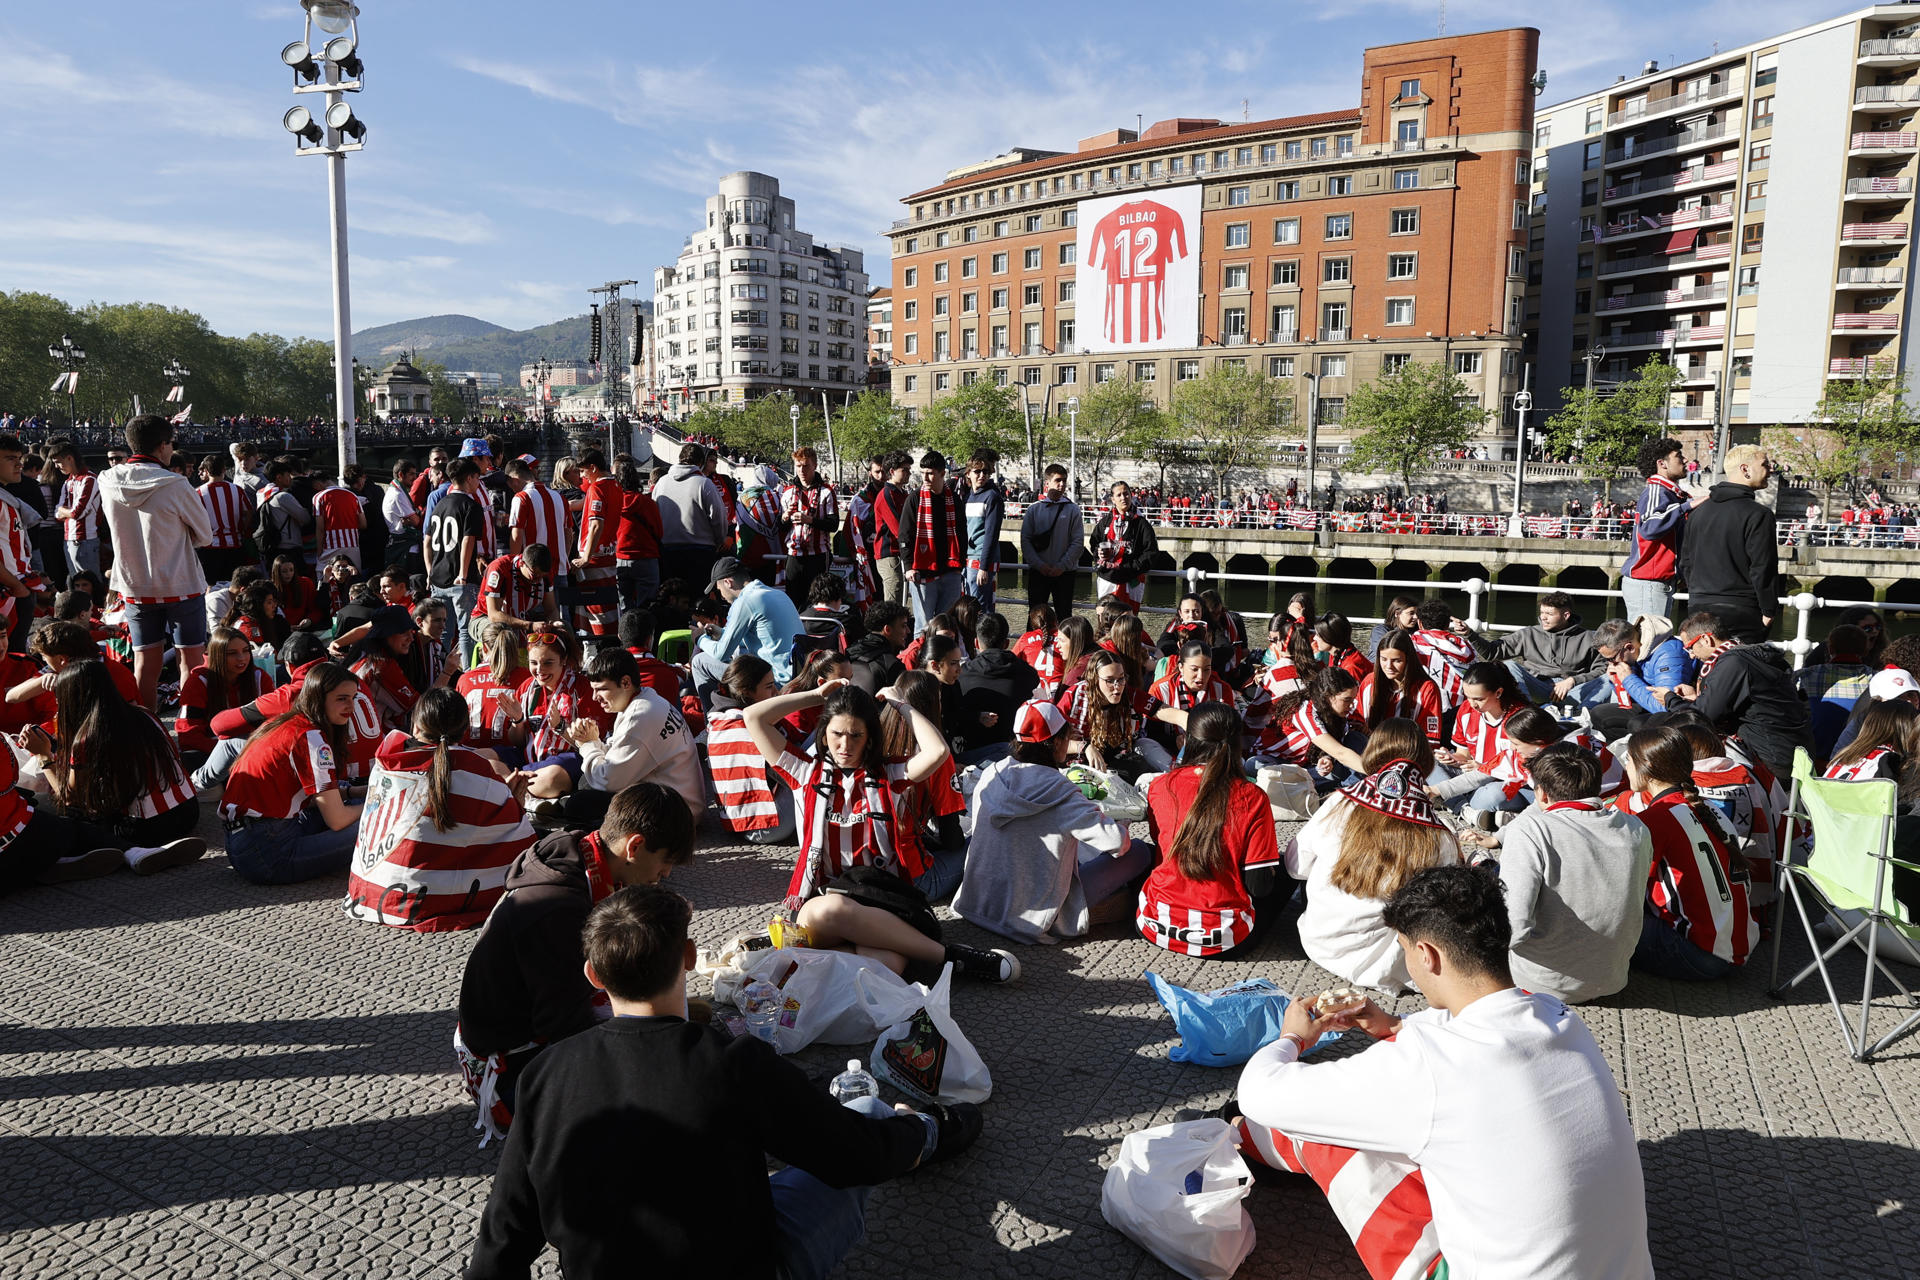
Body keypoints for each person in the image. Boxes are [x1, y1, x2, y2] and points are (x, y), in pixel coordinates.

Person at [464, 883, 982, 1280]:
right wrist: (913, 1132)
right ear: (689, 960)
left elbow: (506, 1231)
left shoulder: (544, 1075)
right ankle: (937, 1129)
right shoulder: (733, 1061)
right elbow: (855, 1156)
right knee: (867, 1115)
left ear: (593, 975)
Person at [1235, 866, 1653, 1280]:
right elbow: (1475, 1025)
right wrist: (1396, 1027)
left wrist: (1292, 1038)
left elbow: (1260, 1091)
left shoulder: (1427, 1067)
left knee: (1326, 1136)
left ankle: (1237, 1134)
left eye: (1404, 949)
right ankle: (1241, 1134)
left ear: (1427, 955)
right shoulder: (1558, 1017)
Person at [453, 783, 696, 1143]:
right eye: (665, 863)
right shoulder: (558, 909)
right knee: (654, 1111)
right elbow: (566, 1029)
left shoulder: (582, 854)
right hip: (510, 1065)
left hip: (535, 1027)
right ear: (635, 846)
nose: (666, 875)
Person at [740, 678, 1019, 982]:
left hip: (882, 903)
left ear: (871, 737)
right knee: (834, 910)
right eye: (837, 734)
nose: (845, 745)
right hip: (822, 905)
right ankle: (954, 957)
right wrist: (816, 695)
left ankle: (798, 958)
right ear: (824, 734)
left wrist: (902, 705)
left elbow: (937, 751)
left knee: (887, 964)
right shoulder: (805, 771)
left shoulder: (891, 775)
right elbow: (753, 717)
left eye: (856, 735)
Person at [954, 698, 1150, 943]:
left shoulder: (992, 774)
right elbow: (1117, 843)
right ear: (1057, 742)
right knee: (1140, 851)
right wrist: (1122, 825)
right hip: (1034, 916)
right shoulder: (1061, 792)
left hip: (978, 903)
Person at [343, 686, 535, 932]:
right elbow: (519, 839)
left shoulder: (386, 762)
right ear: (464, 731)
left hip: (367, 893)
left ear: (416, 726)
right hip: (425, 901)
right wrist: (513, 802)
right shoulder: (478, 772)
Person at [1285, 721, 1460, 989]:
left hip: (1320, 942)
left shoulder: (1339, 802)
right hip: (1385, 967)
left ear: (1373, 752)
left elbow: (1295, 866)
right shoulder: (1441, 834)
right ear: (1425, 762)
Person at [18, 659, 208, 882]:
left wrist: (44, 756)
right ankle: (142, 852)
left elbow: (69, 798)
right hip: (187, 812)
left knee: (69, 820)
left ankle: (129, 851)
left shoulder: (88, 737)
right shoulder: (144, 713)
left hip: (147, 827)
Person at [1494, 742, 1654, 1003]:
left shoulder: (1530, 830)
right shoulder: (1636, 827)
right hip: (1612, 977)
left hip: (1540, 982)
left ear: (1542, 794)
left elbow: (1513, 927)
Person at [1137, 702, 1281, 957]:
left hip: (1153, 926)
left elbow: (1161, 842)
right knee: (1282, 872)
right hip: (1223, 940)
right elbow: (1260, 887)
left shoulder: (1160, 785)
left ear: (1187, 740)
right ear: (1237, 743)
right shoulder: (1253, 797)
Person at [96, 416, 214, 710]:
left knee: (144, 663)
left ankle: (146, 730)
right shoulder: (176, 484)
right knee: (191, 660)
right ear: (163, 446)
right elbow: (205, 535)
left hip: (134, 585)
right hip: (182, 582)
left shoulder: (106, 480)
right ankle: (188, 723)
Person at [1623, 724, 1757, 980]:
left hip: (1698, 955)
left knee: (1603, 918)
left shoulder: (1656, 818)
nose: (1626, 766)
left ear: (1647, 767)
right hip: (1735, 949)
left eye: (1628, 759)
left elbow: (1627, 887)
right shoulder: (1709, 808)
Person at [219, 662, 366, 884]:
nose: (351, 707)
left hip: (242, 842)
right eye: (341, 698)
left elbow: (309, 798)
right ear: (318, 697)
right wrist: (376, 804)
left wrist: (353, 792)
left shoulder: (284, 723)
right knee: (379, 820)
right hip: (269, 853)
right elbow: (337, 820)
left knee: (349, 802)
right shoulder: (312, 737)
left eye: (353, 698)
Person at [524, 646, 701, 828]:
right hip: (676, 802)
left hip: (676, 816)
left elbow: (607, 781)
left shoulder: (639, 716)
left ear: (625, 683)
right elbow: (615, 757)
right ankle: (559, 806)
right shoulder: (646, 699)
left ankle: (563, 813)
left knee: (579, 804)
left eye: (601, 689)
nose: (594, 697)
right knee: (585, 782)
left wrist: (588, 744)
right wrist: (590, 740)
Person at [1661, 610, 1813, 782]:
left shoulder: (1733, 664)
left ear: (1706, 639)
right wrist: (1696, 697)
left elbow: (1701, 718)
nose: (1691, 654)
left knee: (1668, 735)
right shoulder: (1749, 655)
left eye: (1690, 647)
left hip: (1770, 760)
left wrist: (1670, 699)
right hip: (1793, 753)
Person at [1678, 443, 1779, 643]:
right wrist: (1769, 610)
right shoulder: (1758, 514)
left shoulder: (1698, 513)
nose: (1770, 469)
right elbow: (1763, 568)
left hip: (1699, 608)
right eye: (1765, 464)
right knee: (1741, 669)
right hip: (1741, 610)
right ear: (1745, 469)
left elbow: (1686, 562)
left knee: (1705, 670)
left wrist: (1697, 595)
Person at [704, 655, 796, 844]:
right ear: (747, 692)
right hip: (765, 827)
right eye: (769, 687)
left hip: (736, 821)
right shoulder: (745, 729)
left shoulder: (720, 718)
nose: (776, 692)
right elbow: (792, 775)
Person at [691, 556, 805, 703]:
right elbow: (762, 635)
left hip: (775, 681)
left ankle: (714, 723)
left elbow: (721, 653)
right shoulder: (776, 593)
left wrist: (700, 638)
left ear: (728, 582)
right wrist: (721, 633)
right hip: (796, 675)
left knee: (699, 661)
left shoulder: (746, 601)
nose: (722, 597)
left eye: (719, 590)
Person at [1462, 591, 1601, 708]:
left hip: (1572, 692)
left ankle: (1583, 715)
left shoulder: (1589, 637)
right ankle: (1526, 711)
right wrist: (1470, 634)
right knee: (1510, 665)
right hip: (1537, 688)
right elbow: (1492, 652)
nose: (1543, 618)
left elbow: (1602, 670)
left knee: (1609, 678)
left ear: (1566, 615)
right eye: (1542, 612)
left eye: (1549, 614)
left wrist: (1573, 680)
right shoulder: (1528, 634)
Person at [1622, 435, 1706, 622]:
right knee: (1649, 643)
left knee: (1652, 641)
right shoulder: (1656, 490)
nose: (1685, 460)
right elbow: (1650, 527)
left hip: (1655, 582)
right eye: (1679, 456)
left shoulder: (1670, 493)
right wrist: (1687, 506)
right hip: (1648, 582)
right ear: (1662, 464)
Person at [425, 458, 488, 671]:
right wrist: (462, 572)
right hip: (460, 577)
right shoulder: (471, 506)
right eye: (477, 478)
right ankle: (468, 674)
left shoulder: (438, 503)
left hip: (438, 575)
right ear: (469, 478)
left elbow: (426, 541)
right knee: (466, 630)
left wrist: (429, 571)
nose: (478, 482)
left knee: (442, 629)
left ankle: (437, 672)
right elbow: (468, 540)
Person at [955, 612, 1039, 768]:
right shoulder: (1028, 674)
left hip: (970, 756)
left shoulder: (961, 675)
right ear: (1007, 643)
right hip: (1014, 755)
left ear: (976, 643)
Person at [177, 626, 274, 756]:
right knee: (191, 755)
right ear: (217, 655)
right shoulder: (198, 682)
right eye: (232, 653)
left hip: (254, 751)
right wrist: (230, 751)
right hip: (213, 753)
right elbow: (188, 737)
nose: (242, 658)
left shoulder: (259, 677)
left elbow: (275, 723)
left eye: (246, 651)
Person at [899, 450, 964, 630]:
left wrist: (960, 565)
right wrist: (909, 566)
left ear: (942, 474)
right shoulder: (914, 498)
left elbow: (962, 532)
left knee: (946, 624)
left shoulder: (953, 498)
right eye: (922, 473)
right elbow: (904, 534)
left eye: (930, 473)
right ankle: (920, 657)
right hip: (923, 571)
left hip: (950, 569)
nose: (925, 478)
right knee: (924, 625)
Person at [654, 442, 729, 590]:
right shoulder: (704, 484)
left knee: (672, 599)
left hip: (668, 550)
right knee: (697, 600)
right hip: (700, 551)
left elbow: (654, 514)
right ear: (700, 463)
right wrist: (720, 540)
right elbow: (718, 518)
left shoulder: (661, 483)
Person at [1359, 628, 1444, 749]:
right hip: (1367, 750)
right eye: (1383, 659)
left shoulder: (1427, 689)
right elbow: (1356, 722)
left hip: (1407, 755)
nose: (1389, 666)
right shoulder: (1369, 682)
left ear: (1408, 660)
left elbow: (1430, 740)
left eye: (1396, 661)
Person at [1436, 661, 1522, 778]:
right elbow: (1463, 754)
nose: (1472, 704)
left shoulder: (1519, 717)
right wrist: (1452, 758)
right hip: (1472, 775)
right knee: (1430, 764)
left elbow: (1522, 767)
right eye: (1467, 697)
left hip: (1503, 781)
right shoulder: (1466, 710)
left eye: (1479, 699)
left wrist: (1485, 768)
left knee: (1492, 794)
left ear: (1498, 693)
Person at [571, 449, 622, 641]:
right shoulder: (616, 485)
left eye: (583, 471)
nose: (583, 476)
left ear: (593, 468)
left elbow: (595, 524)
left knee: (595, 609)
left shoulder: (597, 489)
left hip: (595, 558)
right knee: (607, 606)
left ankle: (598, 648)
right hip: (610, 553)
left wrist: (586, 557)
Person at [1020, 462, 1082, 621]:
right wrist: (1040, 565)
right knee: (1035, 618)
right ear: (1047, 484)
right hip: (1039, 572)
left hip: (1064, 573)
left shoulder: (1073, 510)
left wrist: (1061, 566)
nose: (1061, 485)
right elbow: (1025, 541)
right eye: (1058, 481)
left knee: (1064, 617)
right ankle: (1033, 645)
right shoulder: (1034, 509)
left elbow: (1078, 542)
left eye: (1064, 481)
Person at [779, 445, 838, 605]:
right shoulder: (788, 492)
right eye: (798, 466)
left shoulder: (826, 491)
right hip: (794, 554)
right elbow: (780, 528)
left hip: (817, 555)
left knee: (817, 601)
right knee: (793, 601)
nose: (802, 471)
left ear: (815, 466)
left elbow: (833, 525)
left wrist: (810, 520)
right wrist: (785, 518)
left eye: (806, 466)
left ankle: (816, 630)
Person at [1088, 479, 1157, 610]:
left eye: (1126, 494)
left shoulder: (1141, 524)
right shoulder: (1105, 522)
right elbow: (1094, 543)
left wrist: (1130, 567)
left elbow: (1151, 552)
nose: (1123, 498)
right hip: (1107, 579)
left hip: (1131, 581)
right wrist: (1099, 553)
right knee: (1106, 621)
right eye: (1118, 495)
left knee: (1128, 623)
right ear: (1112, 499)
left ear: (1131, 496)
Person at [608, 453, 660, 612]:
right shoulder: (647, 503)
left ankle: (627, 635)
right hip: (646, 557)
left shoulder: (613, 502)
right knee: (647, 606)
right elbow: (658, 531)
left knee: (624, 606)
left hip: (621, 557)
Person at [478, 542, 560, 637]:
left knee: (564, 629)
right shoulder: (499, 569)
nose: (538, 580)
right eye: (534, 576)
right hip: (485, 616)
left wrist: (554, 625)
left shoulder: (545, 574)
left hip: (526, 615)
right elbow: (493, 615)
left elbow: (551, 609)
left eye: (543, 576)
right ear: (522, 563)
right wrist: (529, 625)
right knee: (501, 634)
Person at [49, 440, 102, 581]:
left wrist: (63, 510)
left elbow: (77, 513)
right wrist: (64, 511)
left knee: (90, 584)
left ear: (69, 458)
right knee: (75, 583)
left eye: (58, 462)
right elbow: (57, 515)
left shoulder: (90, 479)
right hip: (69, 538)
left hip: (85, 539)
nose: (56, 466)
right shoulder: (68, 482)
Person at [959, 449, 1004, 610]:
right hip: (968, 559)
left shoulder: (992, 497)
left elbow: (991, 534)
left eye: (985, 472)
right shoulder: (968, 496)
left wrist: (984, 567)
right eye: (977, 471)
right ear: (968, 474)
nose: (981, 475)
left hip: (981, 561)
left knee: (980, 608)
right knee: (969, 607)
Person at [847, 599, 910, 695]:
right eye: (903, 626)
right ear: (887, 629)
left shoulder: (849, 651)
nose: (908, 631)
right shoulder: (893, 666)